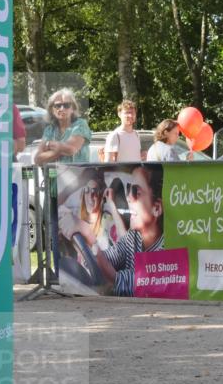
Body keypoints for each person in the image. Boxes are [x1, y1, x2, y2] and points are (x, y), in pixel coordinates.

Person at [90, 164, 164, 297]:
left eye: (136, 192)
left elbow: (122, 281)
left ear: (156, 208)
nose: (128, 197)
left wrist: (89, 239)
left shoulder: (166, 249)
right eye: (129, 188)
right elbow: (112, 256)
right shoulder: (134, 236)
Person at [34, 88, 91, 165]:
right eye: (57, 105)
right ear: (52, 110)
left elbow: (71, 149)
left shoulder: (80, 124)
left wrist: (49, 144)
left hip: (78, 172)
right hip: (53, 173)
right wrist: (61, 149)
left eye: (66, 105)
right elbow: (37, 159)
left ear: (73, 109)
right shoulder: (49, 129)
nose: (62, 108)